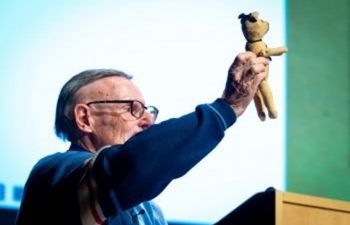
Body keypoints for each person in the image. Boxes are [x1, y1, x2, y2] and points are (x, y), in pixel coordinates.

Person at [16, 52, 268, 225]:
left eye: (149, 111)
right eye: (133, 109)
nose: (149, 121)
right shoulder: (54, 173)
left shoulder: (151, 210)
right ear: (84, 118)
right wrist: (226, 108)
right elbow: (135, 164)